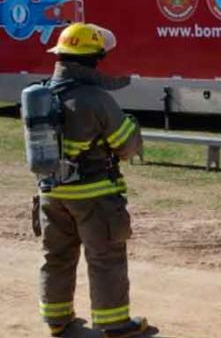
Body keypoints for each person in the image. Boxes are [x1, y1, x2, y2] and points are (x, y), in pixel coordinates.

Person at [36, 23, 149, 337]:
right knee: (105, 258)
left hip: (49, 192)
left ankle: (56, 319)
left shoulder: (41, 93)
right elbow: (126, 146)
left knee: (56, 255)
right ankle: (114, 323)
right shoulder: (95, 98)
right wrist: (132, 125)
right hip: (93, 195)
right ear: (93, 59)